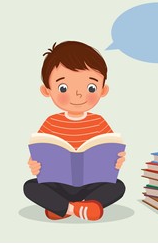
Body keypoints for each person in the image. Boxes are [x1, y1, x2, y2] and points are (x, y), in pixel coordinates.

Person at [23, 41, 126, 221]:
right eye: (63, 88)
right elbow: (40, 152)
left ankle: (61, 207)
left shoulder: (99, 122)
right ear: (47, 90)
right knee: (30, 186)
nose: (78, 95)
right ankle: (76, 208)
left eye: (90, 88)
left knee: (118, 186)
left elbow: (110, 150)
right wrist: (34, 164)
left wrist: (117, 161)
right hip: (59, 185)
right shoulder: (51, 122)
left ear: (103, 90)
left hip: (91, 185)